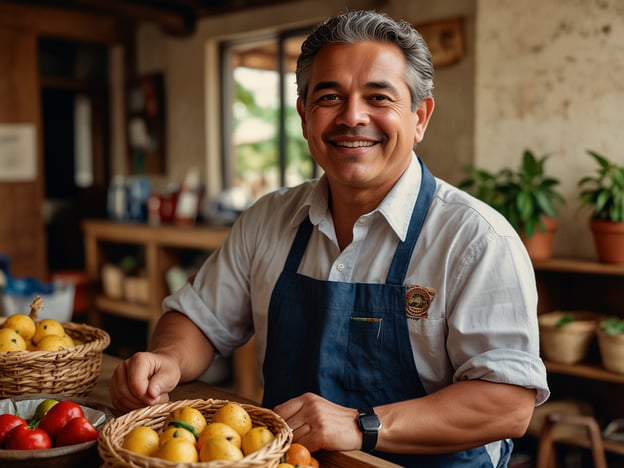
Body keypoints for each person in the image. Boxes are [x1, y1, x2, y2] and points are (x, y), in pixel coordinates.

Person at [110, 10, 549, 467]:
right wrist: (168, 360)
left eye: (378, 97)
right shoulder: (268, 219)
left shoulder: (476, 240)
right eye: (329, 97)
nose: (352, 116)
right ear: (304, 116)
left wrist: (362, 425)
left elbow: (508, 403)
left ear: (419, 116)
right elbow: (198, 320)